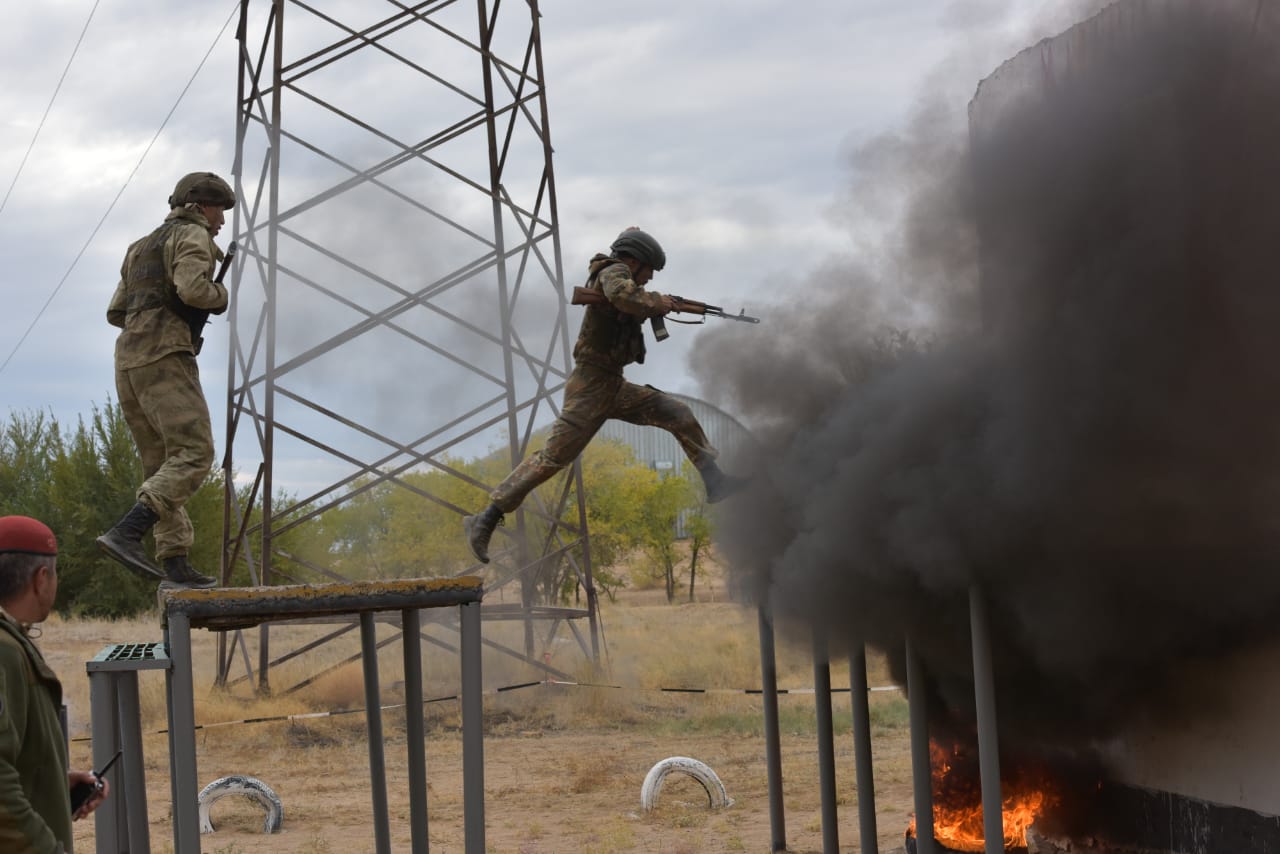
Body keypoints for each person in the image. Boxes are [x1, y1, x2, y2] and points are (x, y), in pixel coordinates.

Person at [463, 227, 749, 564]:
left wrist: (658, 305)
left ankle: (713, 479)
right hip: (590, 386)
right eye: (649, 270)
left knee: (677, 412)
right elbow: (623, 297)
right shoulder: (615, 272)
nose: (650, 278)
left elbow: (630, 300)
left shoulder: (624, 280)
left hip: (612, 384)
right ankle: (486, 517)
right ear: (634, 261)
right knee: (552, 458)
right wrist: (657, 302)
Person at [96, 172, 236, 589]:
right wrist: (221, 298)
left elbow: (116, 312)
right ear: (197, 207)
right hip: (164, 355)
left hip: (129, 360)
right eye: (218, 211)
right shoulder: (192, 239)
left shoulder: (140, 247)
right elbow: (194, 290)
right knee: (195, 453)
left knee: (160, 463)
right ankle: (128, 530)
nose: (221, 222)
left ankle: (175, 561)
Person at [0, 515, 109, 852]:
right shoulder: (3, 650)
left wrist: (53, 783)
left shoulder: (12, 641)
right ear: (41, 577)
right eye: (56, 573)